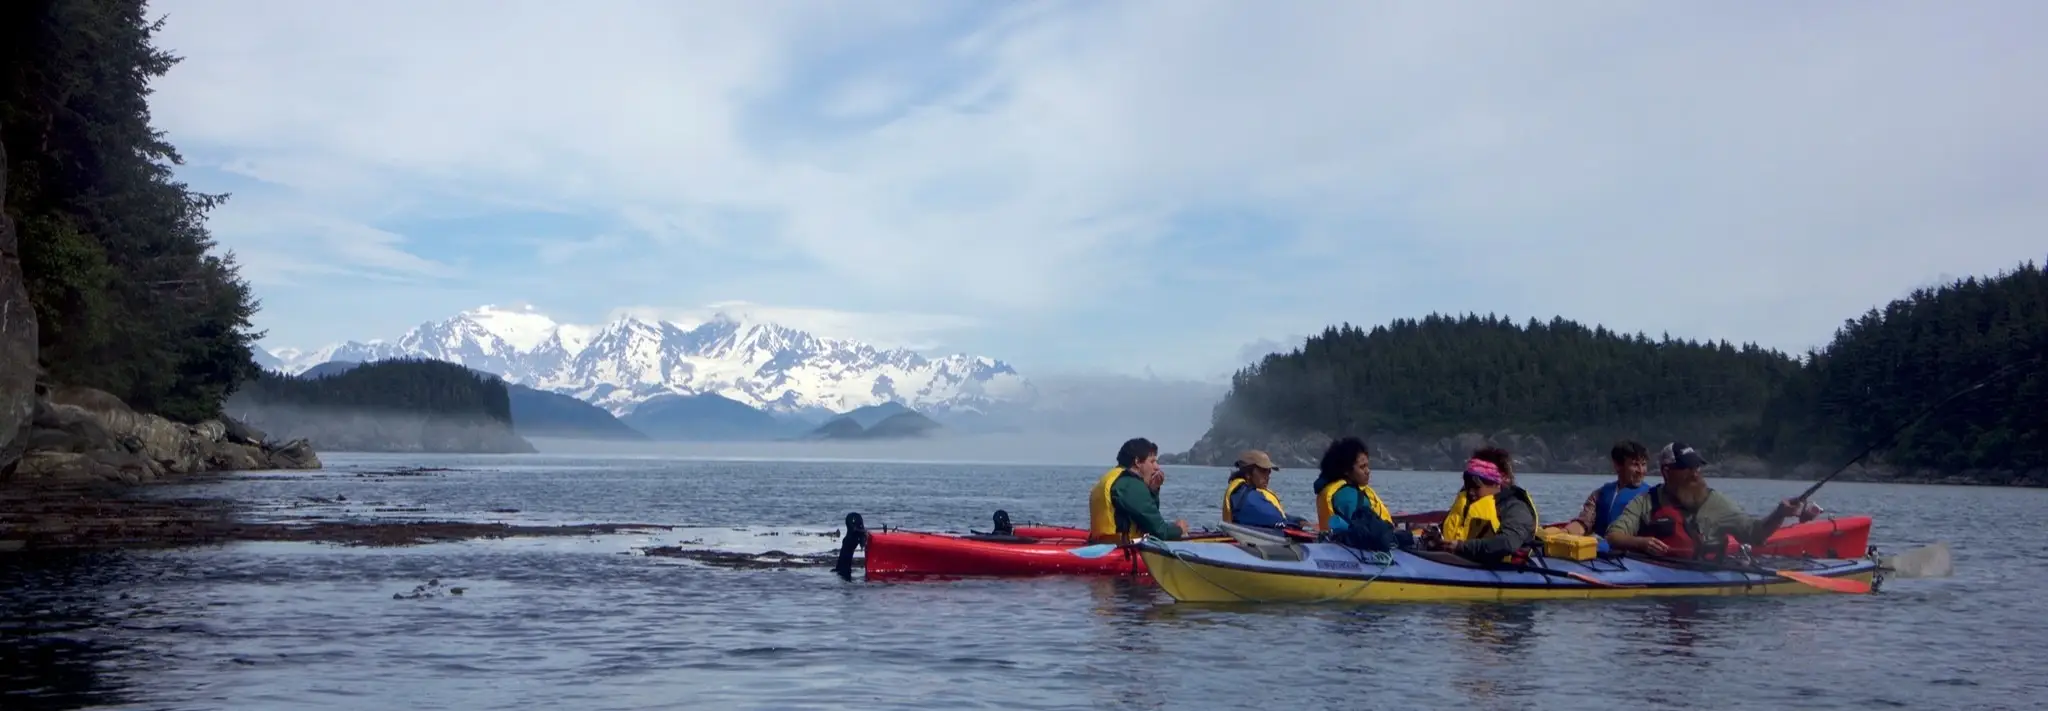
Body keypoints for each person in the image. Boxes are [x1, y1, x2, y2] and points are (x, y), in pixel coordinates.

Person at [1605, 442, 1804, 559]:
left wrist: (1780, 514)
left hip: (1705, 582)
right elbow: (1613, 535)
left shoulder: (1716, 502)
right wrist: (1641, 542)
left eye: (1697, 467)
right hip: (1655, 576)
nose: (1695, 474)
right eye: (1687, 468)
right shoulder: (1646, 501)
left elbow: (1755, 534)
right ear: (1666, 471)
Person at [1087, 437, 1189, 544]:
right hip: (1123, 548)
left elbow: (1148, 521)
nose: (1157, 467)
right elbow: (1159, 532)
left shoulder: (1112, 477)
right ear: (1137, 462)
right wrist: (1179, 529)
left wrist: (1153, 490)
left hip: (1103, 544)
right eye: (1152, 461)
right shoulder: (1130, 484)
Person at [1312, 437, 1401, 550]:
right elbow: (1367, 531)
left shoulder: (1340, 489)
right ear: (1346, 470)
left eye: (1367, 466)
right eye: (1362, 467)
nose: (1367, 471)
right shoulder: (1347, 496)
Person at [1562, 441, 1653, 551]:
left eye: (1643, 464)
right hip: (1599, 551)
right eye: (1635, 465)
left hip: (1629, 553)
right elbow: (1584, 522)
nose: (1641, 471)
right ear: (1617, 465)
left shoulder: (1651, 497)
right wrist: (1564, 533)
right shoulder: (1600, 494)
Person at [1440, 447, 1538, 542]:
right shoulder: (1466, 504)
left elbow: (1509, 542)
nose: (1470, 492)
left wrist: (1461, 547)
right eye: (1468, 486)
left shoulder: (1516, 508)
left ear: (1496, 484)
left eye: (1476, 487)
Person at [1221, 450, 1303, 528]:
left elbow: (1280, 516)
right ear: (1248, 473)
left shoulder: (1255, 492)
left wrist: (1298, 521)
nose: (1268, 477)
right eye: (1263, 471)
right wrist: (1291, 525)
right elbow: (1272, 517)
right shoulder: (1241, 494)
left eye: (1269, 472)